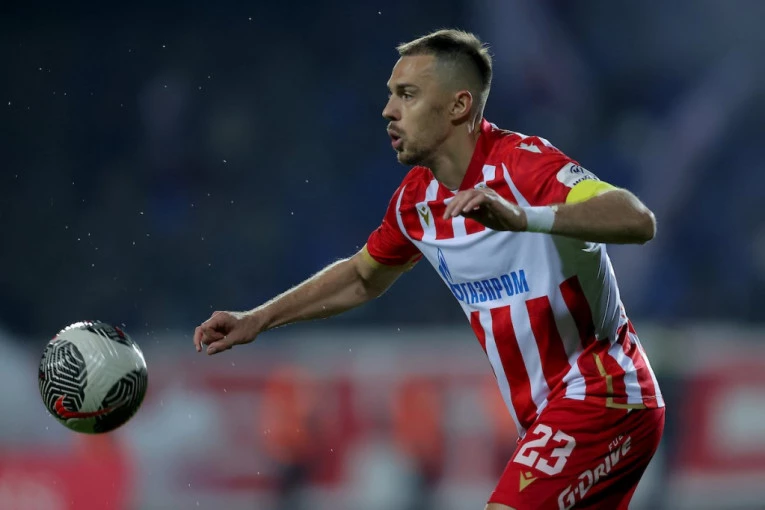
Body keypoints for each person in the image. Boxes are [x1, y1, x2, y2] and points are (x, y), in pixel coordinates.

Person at [193, 29, 665, 510]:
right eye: (390, 95)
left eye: (407, 95)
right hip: (546, 416)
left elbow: (637, 220)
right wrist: (258, 319)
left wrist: (524, 218)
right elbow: (361, 277)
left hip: (605, 395)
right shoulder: (415, 201)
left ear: (459, 106)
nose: (388, 110)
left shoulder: (525, 166)